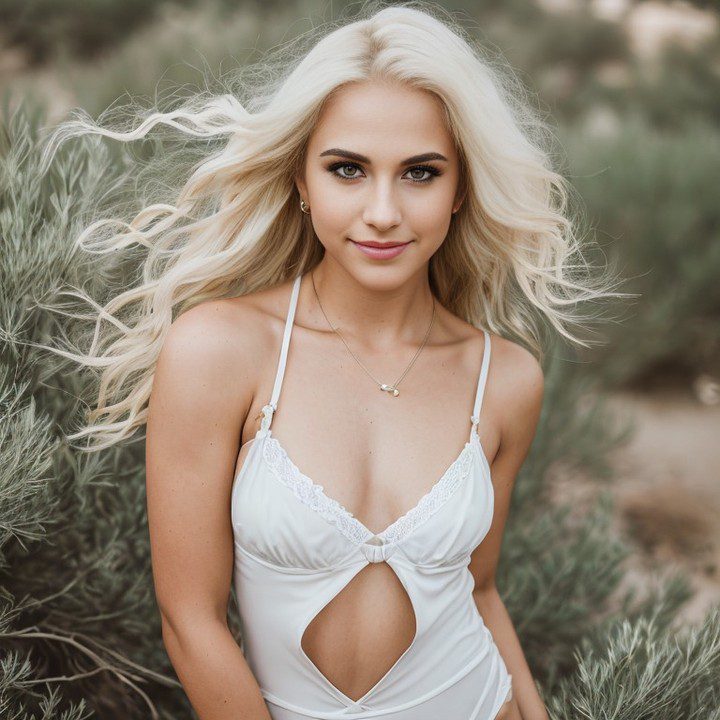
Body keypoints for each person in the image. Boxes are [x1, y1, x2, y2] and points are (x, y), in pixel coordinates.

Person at [40, 2, 619, 718]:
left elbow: (479, 586)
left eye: (419, 173)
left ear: (460, 189)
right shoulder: (222, 351)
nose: (382, 211)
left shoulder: (503, 380)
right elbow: (190, 621)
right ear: (301, 183)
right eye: (348, 169)